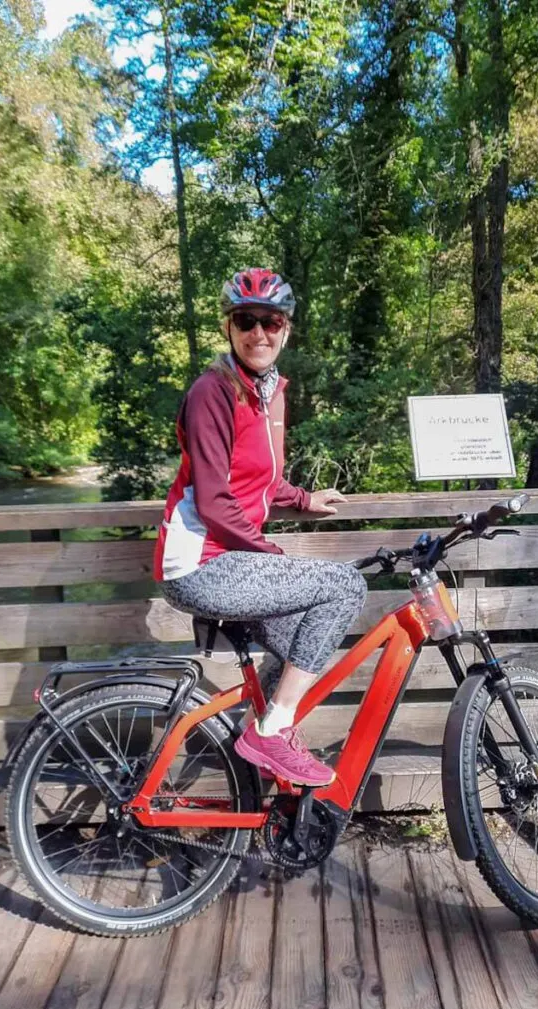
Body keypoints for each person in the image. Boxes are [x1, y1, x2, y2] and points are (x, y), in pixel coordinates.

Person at [154, 268, 367, 787]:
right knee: (346, 585)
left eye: (270, 322)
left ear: (285, 329)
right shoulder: (214, 391)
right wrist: (270, 553)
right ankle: (271, 733)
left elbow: (259, 478)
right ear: (230, 327)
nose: (259, 333)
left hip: (228, 558)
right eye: (246, 321)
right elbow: (213, 500)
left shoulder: (269, 392)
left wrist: (303, 498)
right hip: (201, 564)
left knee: (301, 643)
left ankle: (251, 755)